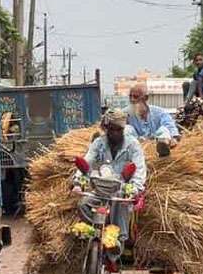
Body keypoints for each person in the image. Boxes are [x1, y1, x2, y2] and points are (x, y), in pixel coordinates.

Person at [73, 109, 147, 251]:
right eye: (111, 129)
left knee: (120, 200)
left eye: (118, 129)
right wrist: (78, 182)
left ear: (123, 129)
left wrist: (133, 189)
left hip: (120, 191)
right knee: (83, 204)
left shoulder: (133, 145)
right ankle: (94, 232)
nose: (114, 133)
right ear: (106, 128)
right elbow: (86, 163)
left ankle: (118, 240)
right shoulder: (98, 144)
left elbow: (139, 171)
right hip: (100, 189)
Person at [127, 82, 180, 151]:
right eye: (130, 96)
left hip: (156, 144)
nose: (132, 100)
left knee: (164, 130)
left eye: (135, 97)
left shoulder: (159, 112)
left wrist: (173, 138)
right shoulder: (125, 113)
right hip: (136, 147)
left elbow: (169, 126)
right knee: (127, 129)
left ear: (146, 97)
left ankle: (163, 150)